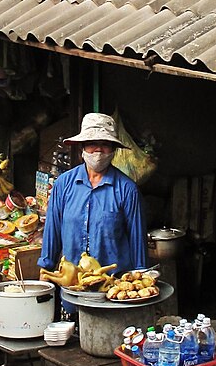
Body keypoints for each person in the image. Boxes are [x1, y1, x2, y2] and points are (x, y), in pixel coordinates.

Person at [39, 111, 146, 278]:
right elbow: (52, 231)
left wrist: (140, 275)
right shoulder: (63, 184)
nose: (98, 150)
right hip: (72, 284)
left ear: (113, 150)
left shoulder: (127, 189)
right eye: (92, 143)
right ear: (82, 147)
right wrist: (46, 270)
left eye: (105, 144)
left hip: (113, 286)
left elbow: (137, 239)